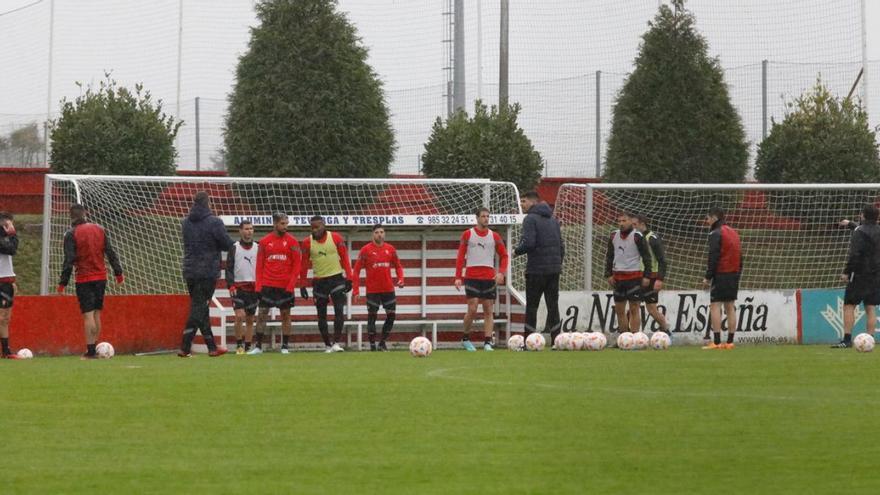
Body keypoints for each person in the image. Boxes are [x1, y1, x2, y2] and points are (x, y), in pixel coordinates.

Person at [57, 204, 125, 359]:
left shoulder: (71, 234)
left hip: (84, 279)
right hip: (101, 277)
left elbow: (69, 260)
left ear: (71, 217)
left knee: (88, 315)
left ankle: (91, 351)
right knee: (97, 314)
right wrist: (118, 273)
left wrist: (63, 283)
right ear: (85, 214)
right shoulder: (99, 229)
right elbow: (110, 251)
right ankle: (95, 347)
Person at [179, 192, 234, 357]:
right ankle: (185, 346)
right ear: (207, 203)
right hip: (207, 271)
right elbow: (226, 244)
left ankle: (211, 347)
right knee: (199, 308)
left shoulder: (185, 222)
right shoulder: (214, 222)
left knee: (200, 307)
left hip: (190, 271)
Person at [454, 208, 510, 351]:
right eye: (483, 216)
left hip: (489, 277)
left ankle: (487, 342)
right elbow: (460, 257)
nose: (486, 219)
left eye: (488, 216)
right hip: (472, 276)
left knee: (488, 309)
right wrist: (458, 277)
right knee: (472, 308)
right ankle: (465, 338)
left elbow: (504, 255)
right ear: (477, 218)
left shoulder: (495, 236)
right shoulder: (468, 234)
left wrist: (501, 273)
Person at [514, 191, 564, 345]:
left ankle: (529, 341)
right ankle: (557, 341)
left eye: (523, 201)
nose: (521, 205)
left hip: (536, 270)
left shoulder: (530, 219)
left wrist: (516, 251)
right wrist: (557, 263)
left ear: (532, 202)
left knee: (532, 306)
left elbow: (529, 243)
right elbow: (562, 246)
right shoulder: (553, 220)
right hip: (554, 270)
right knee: (553, 305)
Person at [300, 215, 353, 353]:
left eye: (317, 227)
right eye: (312, 227)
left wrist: (349, 278)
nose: (315, 229)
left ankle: (336, 343)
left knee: (339, 311)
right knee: (321, 315)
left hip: (336, 279)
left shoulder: (336, 238)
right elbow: (304, 264)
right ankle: (327, 345)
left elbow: (345, 258)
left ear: (324, 225)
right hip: (319, 282)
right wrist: (302, 284)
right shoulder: (307, 242)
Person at [249, 212, 300, 355]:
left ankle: (285, 346)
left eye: (286, 223)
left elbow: (297, 265)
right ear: (275, 224)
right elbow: (259, 265)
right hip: (268, 284)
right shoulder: (265, 242)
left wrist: (291, 285)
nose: (285, 226)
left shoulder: (292, 242)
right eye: (282, 224)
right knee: (262, 314)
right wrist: (258, 286)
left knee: (286, 315)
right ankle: (258, 346)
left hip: (285, 286)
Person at [833, 205, 880, 348]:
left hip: (859, 274)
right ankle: (870, 339)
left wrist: (847, 272)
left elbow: (855, 254)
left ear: (862, 216)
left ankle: (847, 340)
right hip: (876, 275)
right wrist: (850, 224)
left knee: (849, 305)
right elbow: (865, 230)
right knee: (870, 307)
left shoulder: (859, 232)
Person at [352, 224, 405, 351]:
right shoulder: (365, 250)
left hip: (388, 289)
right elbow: (356, 270)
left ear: (384, 234)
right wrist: (356, 290)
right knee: (372, 317)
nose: (380, 234)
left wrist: (401, 279)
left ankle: (382, 342)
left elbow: (398, 266)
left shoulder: (390, 249)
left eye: (382, 232)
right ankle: (372, 344)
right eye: (377, 232)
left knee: (391, 316)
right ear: (373, 234)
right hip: (373, 291)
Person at [604, 211, 651, 338]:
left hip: (634, 277)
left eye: (624, 221)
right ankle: (623, 337)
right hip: (618, 277)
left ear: (631, 221)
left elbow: (647, 257)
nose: (621, 224)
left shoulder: (637, 236)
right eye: (619, 221)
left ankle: (635, 337)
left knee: (634, 307)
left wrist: (647, 275)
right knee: (619, 309)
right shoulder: (614, 235)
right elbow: (609, 256)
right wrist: (608, 274)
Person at [701, 206, 742, 350]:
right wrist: (738, 273)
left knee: (715, 306)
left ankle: (717, 342)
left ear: (714, 218)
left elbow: (713, 256)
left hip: (721, 273)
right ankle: (730, 342)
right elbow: (740, 255)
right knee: (730, 306)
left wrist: (708, 276)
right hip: (734, 273)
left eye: (707, 218)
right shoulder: (734, 232)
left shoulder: (715, 233)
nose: (706, 221)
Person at [225, 220, 259, 354]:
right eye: (246, 229)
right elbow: (229, 268)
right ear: (240, 231)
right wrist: (230, 285)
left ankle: (248, 346)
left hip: (253, 288)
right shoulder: (234, 248)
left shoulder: (258, 247)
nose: (249, 231)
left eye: (251, 229)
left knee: (250, 318)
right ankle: (239, 345)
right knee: (239, 316)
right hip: (238, 287)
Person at [634, 214, 671, 336]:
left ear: (642, 224)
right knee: (634, 306)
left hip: (651, 277)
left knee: (651, 309)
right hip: (637, 276)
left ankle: (666, 330)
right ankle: (633, 336)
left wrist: (660, 279)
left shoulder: (652, 238)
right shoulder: (635, 238)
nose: (633, 227)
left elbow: (662, 260)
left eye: (635, 224)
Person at [0, 212, 20, 359]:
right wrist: (12, 234)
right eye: (8, 224)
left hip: (6, 281)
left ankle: (6, 351)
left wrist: (12, 280)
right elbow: (12, 249)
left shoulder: (5, 238)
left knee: (5, 318)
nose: (11, 227)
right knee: (1, 317)